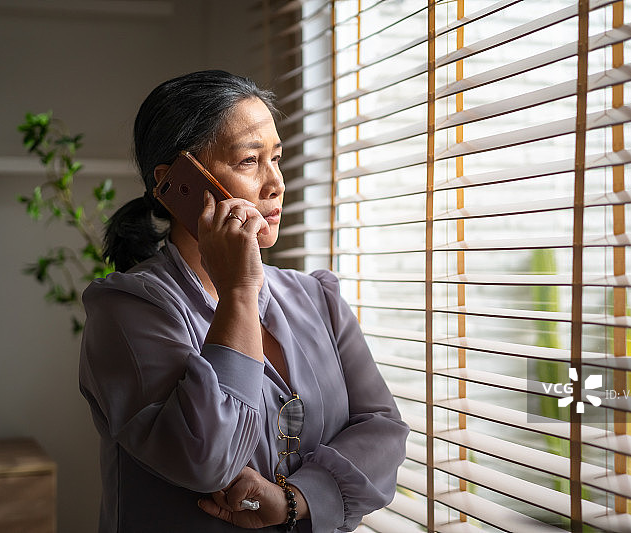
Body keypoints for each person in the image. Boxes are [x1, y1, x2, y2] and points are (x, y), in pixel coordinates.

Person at [78, 69, 409, 533]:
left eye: (276, 158)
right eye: (250, 161)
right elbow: (208, 461)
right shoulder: (126, 310)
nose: (276, 184)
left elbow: (382, 428)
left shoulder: (317, 297)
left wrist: (296, 499)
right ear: (178, 183)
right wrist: (238, 290)